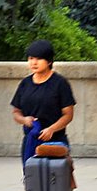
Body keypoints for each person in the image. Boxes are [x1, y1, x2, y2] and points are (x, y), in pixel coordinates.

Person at [10, 39, 77, 175]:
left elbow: (68, 114)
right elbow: (16, 112)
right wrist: (24, 120)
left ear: (49, 61)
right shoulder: (25, 84)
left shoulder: (60, 83)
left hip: (55, 142)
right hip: (31, 141)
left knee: (55, 182)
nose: (34, 62)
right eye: (31, 58)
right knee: (33, 182)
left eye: (39, 59)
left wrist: (51, 129)